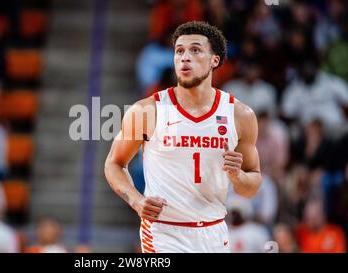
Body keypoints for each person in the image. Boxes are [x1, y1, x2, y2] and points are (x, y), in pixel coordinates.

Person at [104, 21, 262, 253]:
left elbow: (251, 186)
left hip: (214, 231)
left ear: (214, 60)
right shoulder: (147, 110)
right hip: (164, 232)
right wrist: (136, 201)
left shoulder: (240, 115)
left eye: (195, 50)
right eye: (179, 51)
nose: (184, 57)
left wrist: (238, 176)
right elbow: (114, 163)